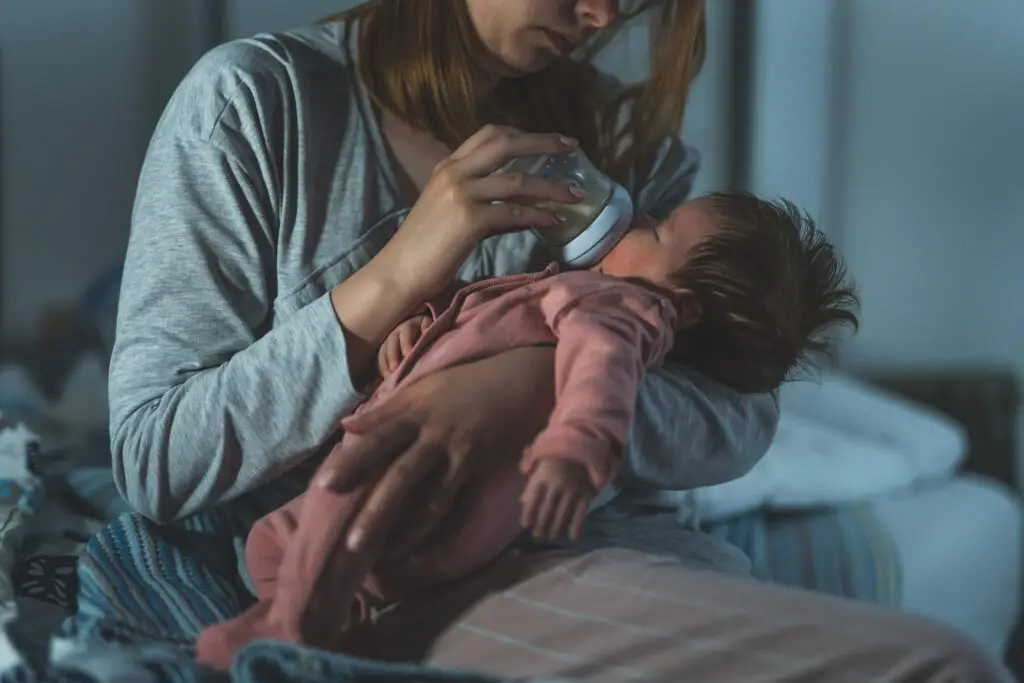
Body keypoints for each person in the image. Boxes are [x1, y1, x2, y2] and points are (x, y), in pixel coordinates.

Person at [107, 0, 1011, 680]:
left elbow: (742, 412)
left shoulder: (626, 147)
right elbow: (155, 460)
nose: (604, 16)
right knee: (940, 666)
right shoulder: (257, 107)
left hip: (620, 544)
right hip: (407, 574)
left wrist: (532, 380)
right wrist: (390, 283)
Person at [193, 190, 860, 669]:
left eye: (655, 228)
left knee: (339, 501)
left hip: (446, 488)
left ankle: (296, 637)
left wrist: (576, 446)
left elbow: (601, 372)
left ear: (679, 307)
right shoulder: (588, 290)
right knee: (272, 545)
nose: (636, 215)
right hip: (417, 474)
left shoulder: (625, 309)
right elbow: (479, 327)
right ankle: (344, 633)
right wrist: (416, 335)